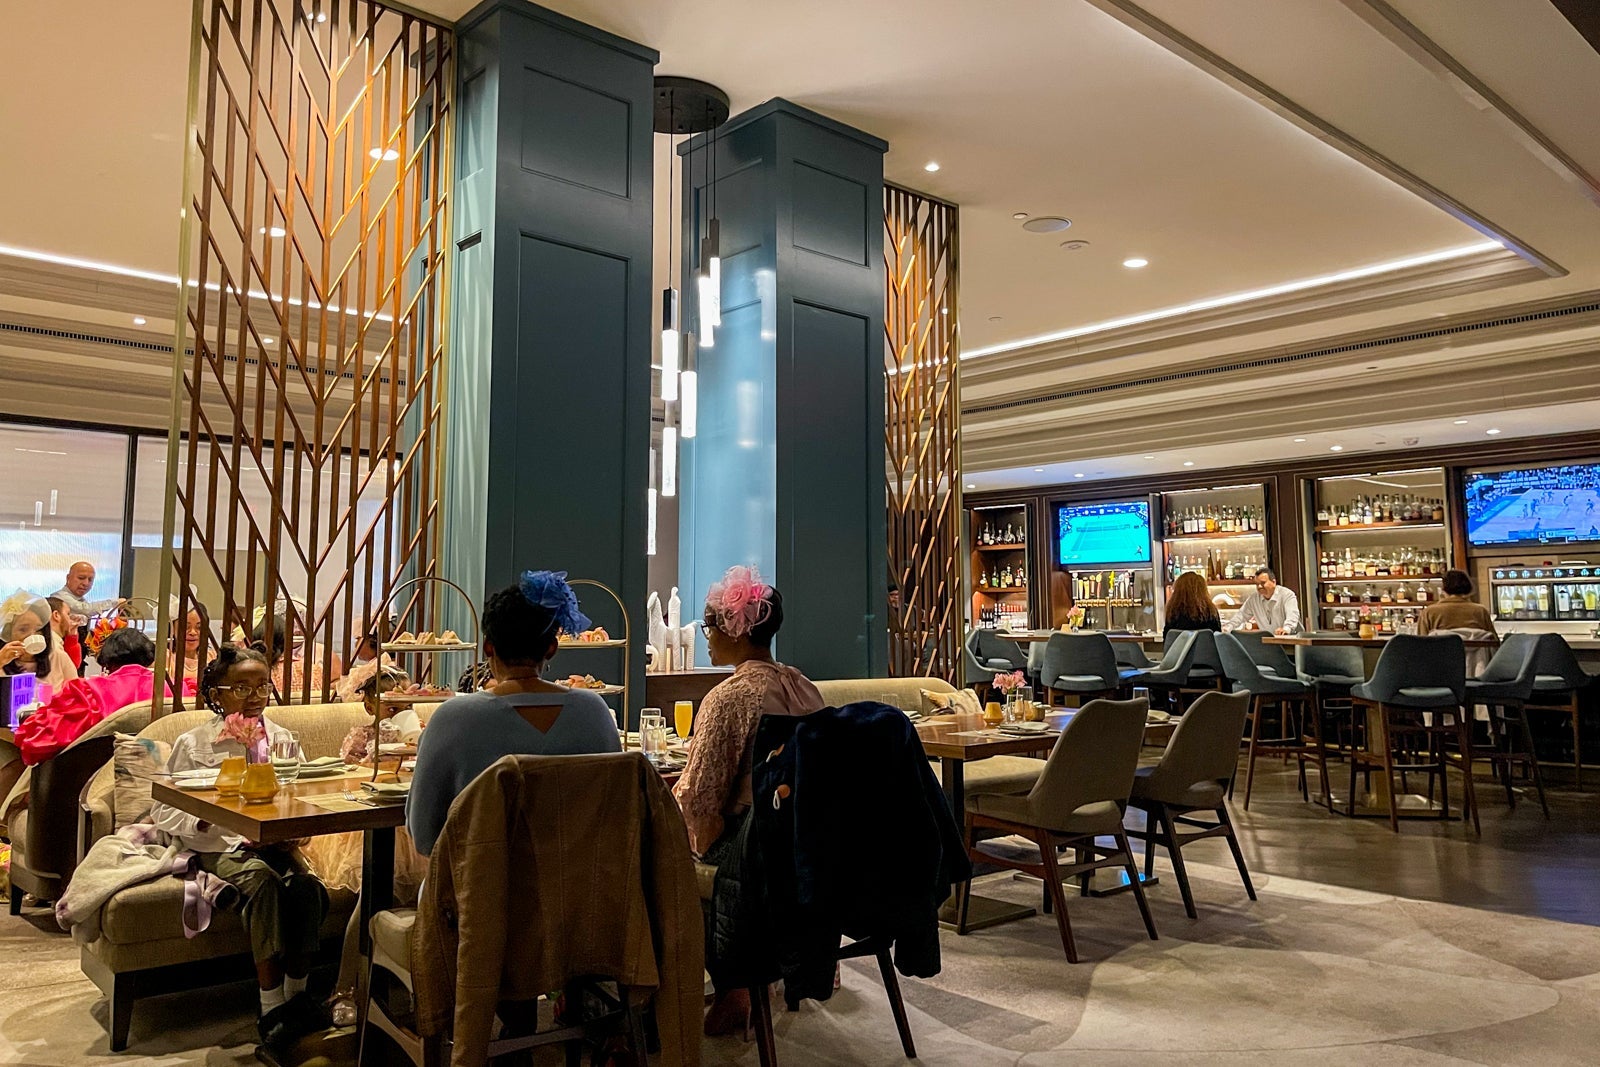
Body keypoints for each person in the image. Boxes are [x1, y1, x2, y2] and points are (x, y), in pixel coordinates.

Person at [149, 644, 330, 1054]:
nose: (255, 696)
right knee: (262, 884)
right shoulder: (195, 743)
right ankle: (270, 1007)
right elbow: (165, 810)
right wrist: (206, 817)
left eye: (262, 685)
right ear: (217, 693)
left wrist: (295, 829)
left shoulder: (282, 738)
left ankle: (297, 997)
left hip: (275, 844)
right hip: (220, 844)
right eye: (241, 687)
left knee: (306, 889)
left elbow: (297, 793)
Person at [671, 565, 824, 1036]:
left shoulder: (728, 697)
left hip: (753, 855)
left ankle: (732, 985)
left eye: (710, 625)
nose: (707, 637)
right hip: (809, 849)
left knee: (662, 852)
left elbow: (699, 797)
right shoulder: (801, 686)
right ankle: (769, 969)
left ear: (735, 630)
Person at [406, 570, 621, 857]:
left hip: (481, 898)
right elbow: (618, 817)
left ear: (488, 648)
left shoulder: (452, 719)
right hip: (583, 897)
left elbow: (424, 837)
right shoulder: (594, 713)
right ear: (551, 648)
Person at [14, 628, 196, 764]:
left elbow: (36, 744)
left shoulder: (89, 692)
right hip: (162, 773)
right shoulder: (178, 690)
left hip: (87, 779)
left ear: (108, 661)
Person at [1, 592, 78, 695]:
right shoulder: (2, 662)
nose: (32, 635)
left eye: (38, 629)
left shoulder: (58, 657)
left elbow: (78, 693)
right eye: (23, 629)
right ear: (8, 634)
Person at [1223, 567, 1302, 635]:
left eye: (1263, 583)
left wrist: (1286, 629)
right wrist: (1227, 628)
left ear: (1274, 582)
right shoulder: (1253, 599)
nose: (1259, 586)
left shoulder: (1287, 595)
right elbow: (1240, 616)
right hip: (1269, 643)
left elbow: (1292, 615)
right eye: (1257, 584)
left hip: (1293, 641)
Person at [1417, 569, 1497, 637]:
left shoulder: (1429, 613)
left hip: (1440, 655)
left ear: (1443, 589)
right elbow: (1494, 643)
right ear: (1468, 588)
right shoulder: (1480, 611)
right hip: (1476, 655)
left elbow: (1421, 645)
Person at [1162, 570, 1222, 638]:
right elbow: (1218, 637)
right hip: (1205, 648)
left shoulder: (1173, 612)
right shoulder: (1210, 611)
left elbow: (1167, 638)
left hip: (1179, 648)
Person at [166, 600, 208, 694]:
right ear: (172, 629)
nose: (193, 632)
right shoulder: (165, 658)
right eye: (185, 627)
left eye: (199, 627)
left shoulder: (212, 657)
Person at [45, 597, 84, 672]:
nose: (70, 619)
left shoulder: (54, 641)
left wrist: (72, 639)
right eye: (68, 614)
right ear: (56, 615)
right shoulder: (53, 646)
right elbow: (71, 676)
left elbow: (73, 666)